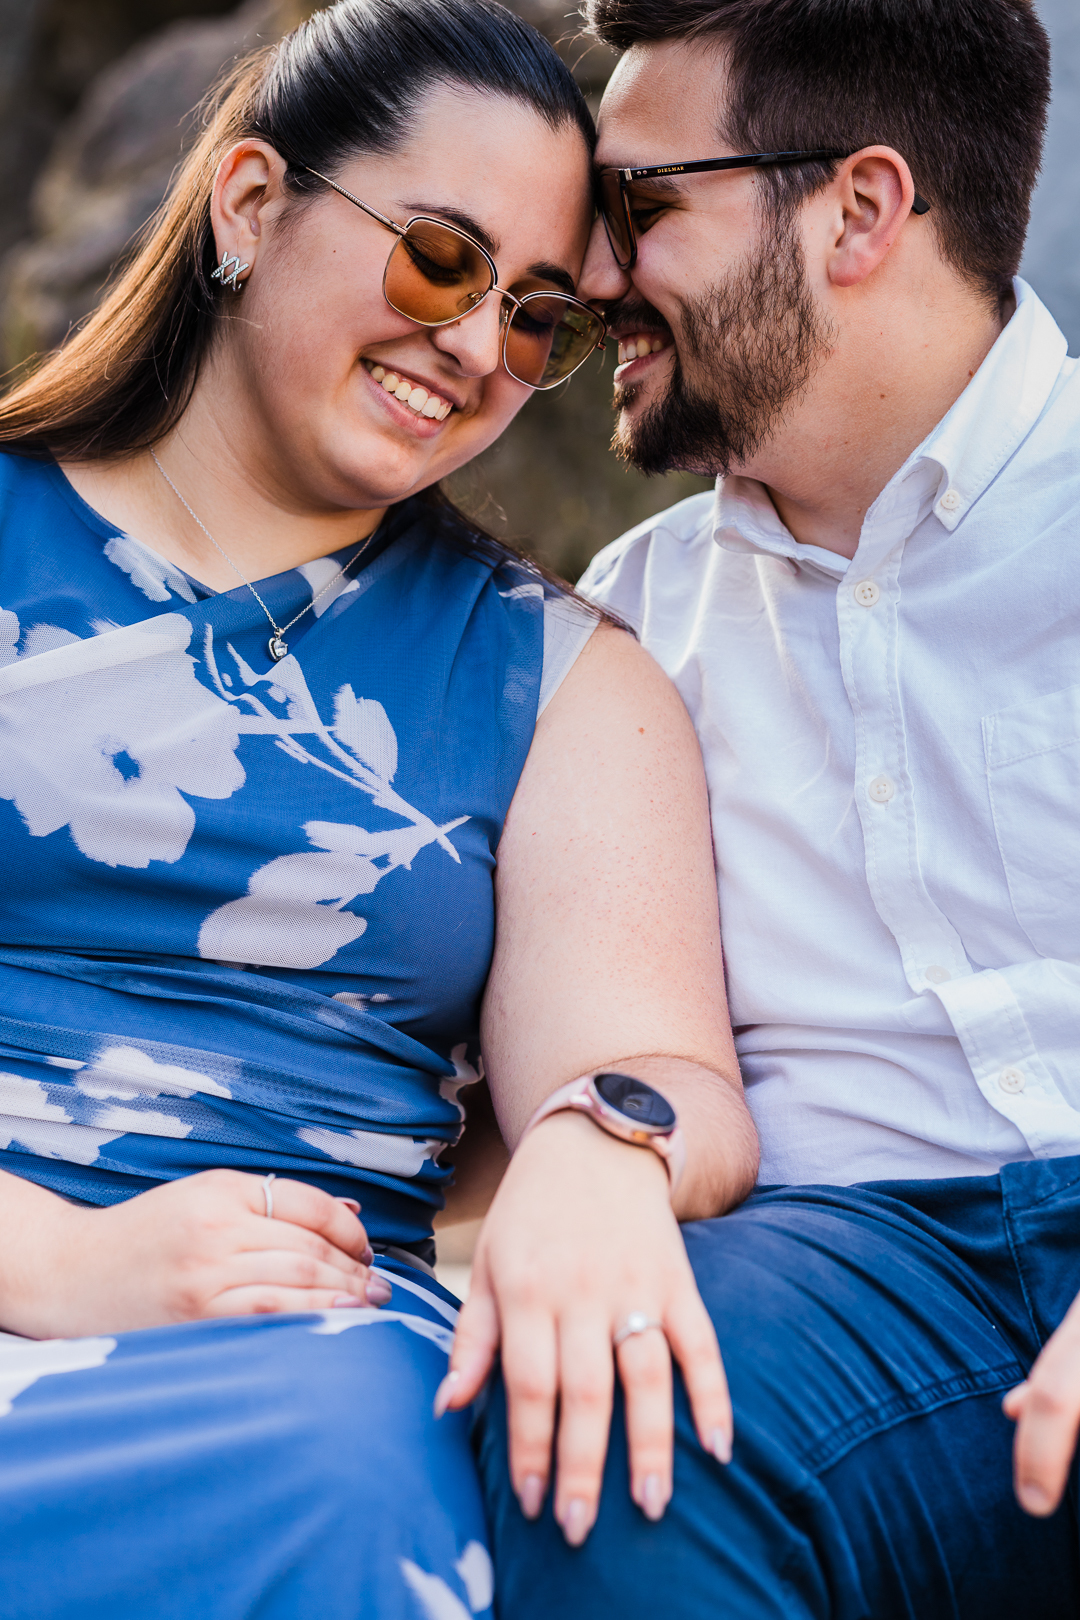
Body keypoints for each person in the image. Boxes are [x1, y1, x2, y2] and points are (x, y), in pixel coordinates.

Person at [0, 2, 760, 1614]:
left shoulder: (563, 682)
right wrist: (57, 1264)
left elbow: (655, 1069)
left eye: (538, 314)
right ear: (251, 201)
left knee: (353, 1468)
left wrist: (601, 1150)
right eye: (437, 258)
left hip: (291, 1367)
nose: (480, 348)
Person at [473, 1, 1080, 1615]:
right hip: (852, 1275)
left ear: (862, 210)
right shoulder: (625, 632)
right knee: (610, 1443)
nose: (591, 281)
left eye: (641, 209)